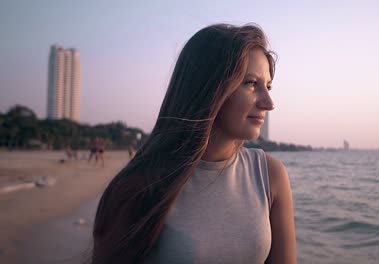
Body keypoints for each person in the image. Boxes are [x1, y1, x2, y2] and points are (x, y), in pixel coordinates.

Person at [91, 23, 296, 264]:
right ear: (208, 87)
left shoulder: (270, 176)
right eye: (251, 83)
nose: (268, 103)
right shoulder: (140, 186)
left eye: (268, 86)